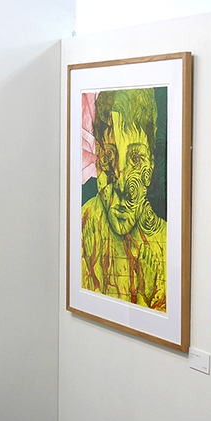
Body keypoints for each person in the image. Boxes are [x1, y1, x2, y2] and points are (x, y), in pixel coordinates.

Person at [81, 88, 167, 311]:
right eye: (109, 156)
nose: (121, 185)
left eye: (135, 158)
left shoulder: (166, 245)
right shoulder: (82, 226)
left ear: (151, 164)